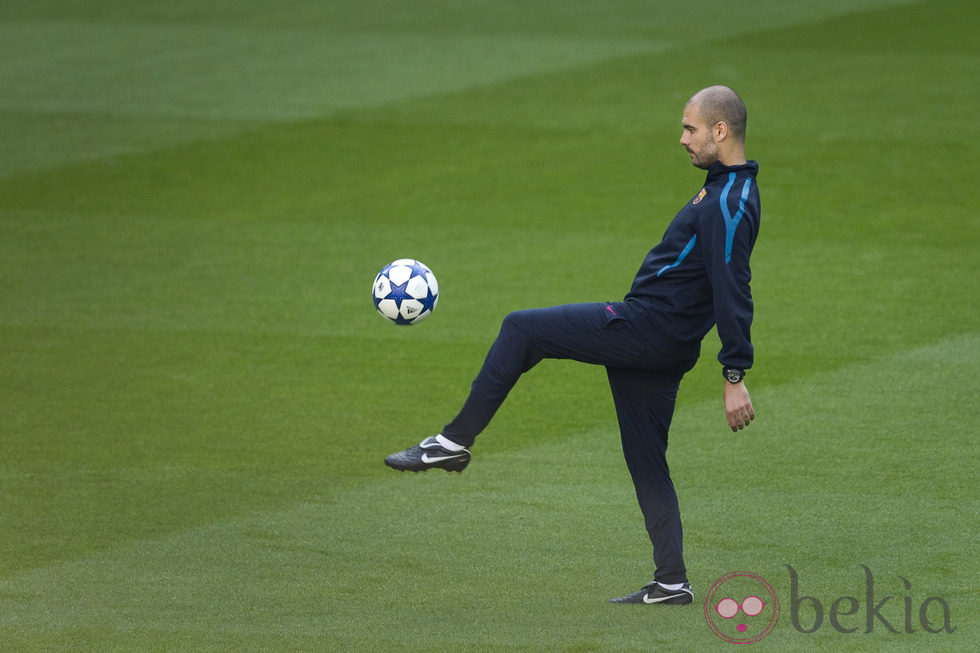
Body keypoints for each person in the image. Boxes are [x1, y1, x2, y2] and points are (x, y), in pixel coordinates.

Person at [384, 85, 760, 605]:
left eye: (690, 128)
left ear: (721, 131)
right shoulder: (724, 188)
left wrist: (734, 375)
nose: (681, 139)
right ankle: (672, 581)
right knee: (647, 461)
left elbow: (732, 286)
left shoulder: (729, 203)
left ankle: (452, 442)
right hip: (661, 343)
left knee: (521, 329)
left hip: (645, 330)